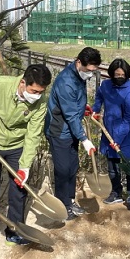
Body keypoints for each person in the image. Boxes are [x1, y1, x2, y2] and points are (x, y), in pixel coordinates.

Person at [0, 64, 52, 258]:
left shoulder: (40, 103)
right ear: (23, 83)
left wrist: (25, 166)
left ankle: (14, 231)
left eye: (41, 92)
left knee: (19, 189)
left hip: (17, 146)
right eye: (34, 91)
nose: (37, 95)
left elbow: (33, 134)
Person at [45, 47, 101, 221]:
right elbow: (68, 114)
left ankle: (69, 200)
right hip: (59, 130)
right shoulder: (66, 82)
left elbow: (74, 103)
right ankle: (63, 206)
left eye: (94, 71)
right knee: (62, 169)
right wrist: (84, 139)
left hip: (71, 129)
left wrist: (82, 107)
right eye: (89, 70)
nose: (91, 74)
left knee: (72, 166)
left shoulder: (78, 76)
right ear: (79, 63)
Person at [91, 58, 130, 210]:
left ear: (127, 75)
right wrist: (95, 109)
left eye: (122, 75)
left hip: (126, 135)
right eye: (116, 75)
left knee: (129, 167)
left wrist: (117, 139)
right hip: (108, 132)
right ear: (111, 74)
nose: (119, 77)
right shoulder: (105, 85)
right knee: (112, 167)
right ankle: (116, 193)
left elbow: (129, 118)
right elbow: (99, 96)